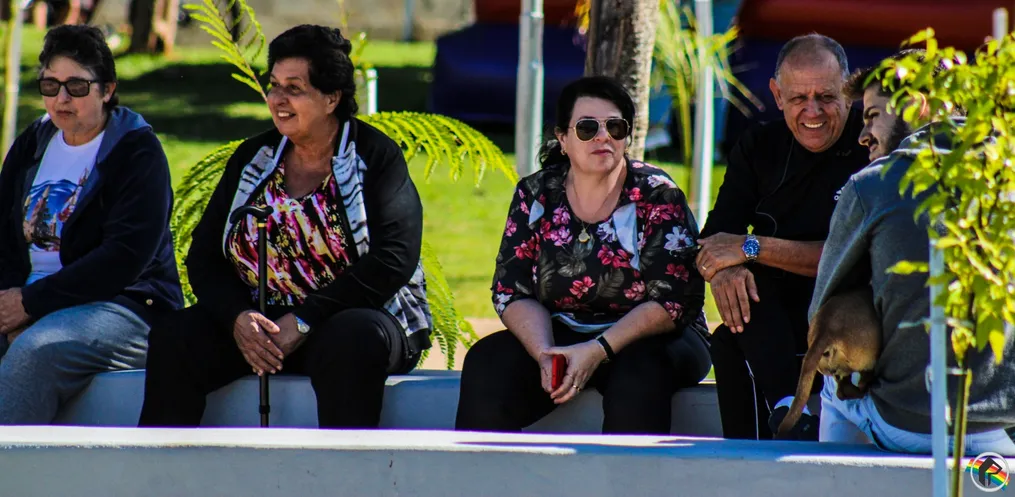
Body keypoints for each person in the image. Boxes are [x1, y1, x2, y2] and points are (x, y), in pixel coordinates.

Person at [137, 24, 432, 429]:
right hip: (265, 325)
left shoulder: (374, 157)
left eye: (294, 88)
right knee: (176, 336)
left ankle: (346, 467)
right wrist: (238, 317)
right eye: (274, 85)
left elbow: (394, 259)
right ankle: (160, 465)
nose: (278, 99)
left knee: (352, 339)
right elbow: (204, 255)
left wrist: (306, 318)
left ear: (331, 98)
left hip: (359, 317)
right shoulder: (254, 158)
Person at [454, 76, 712, 435]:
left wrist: (597, 350)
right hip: (562, 331)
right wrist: (545, 353)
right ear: (563, 139)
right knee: (487, 362)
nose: (603, 137)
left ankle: (623, 473)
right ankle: (484, 468)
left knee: (637, 375)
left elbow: (674, 301)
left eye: (615, 127)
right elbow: (511, 290)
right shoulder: (537, 193)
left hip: (652, 338)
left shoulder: (657, 195)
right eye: (588, 128)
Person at [805, 49, 1015, 455]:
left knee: (831, 378)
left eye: (871, 117)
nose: (863, 136)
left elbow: (820, 317)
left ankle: (832, 479)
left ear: (917, 106)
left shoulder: (870, 185)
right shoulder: (1006, 170)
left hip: (910, 425)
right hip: (1006, 432)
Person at [0, 25, 183, 424]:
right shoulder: (34, 141)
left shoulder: (136, 151)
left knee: (36, 352)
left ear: (108, 90)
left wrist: (31, 305)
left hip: (125, 306)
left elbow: (123, 258)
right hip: (35, 298)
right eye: (50, 85)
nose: (62, 98)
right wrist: (11, 302)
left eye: (77, 87)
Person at [695, 33, 869, 441]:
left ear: (848, 91)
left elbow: (852, 257)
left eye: (826, 97)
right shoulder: (760, 146)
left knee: (735, 329)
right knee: (729, 335)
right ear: (776, 95)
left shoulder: (871, 142)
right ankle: (781, 424)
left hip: (851, 309)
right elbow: (712, 240)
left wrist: (751, 248)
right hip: (776, 314)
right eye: (798, 98)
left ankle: (787, 416)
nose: (813, 111)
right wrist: (725, 273)